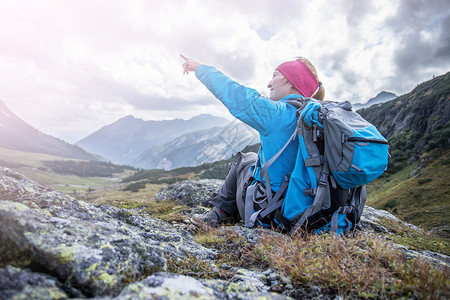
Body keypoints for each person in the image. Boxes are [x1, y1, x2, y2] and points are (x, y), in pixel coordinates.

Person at [180, 54, 325, 228]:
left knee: (244, 159)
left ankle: (220, 214)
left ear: (291, 82)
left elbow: (237, 95)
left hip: (272, 214)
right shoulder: (318, 116)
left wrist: (199, 68)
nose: (269, 84)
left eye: (275, 76)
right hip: (312, 213)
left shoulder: (279, 113)